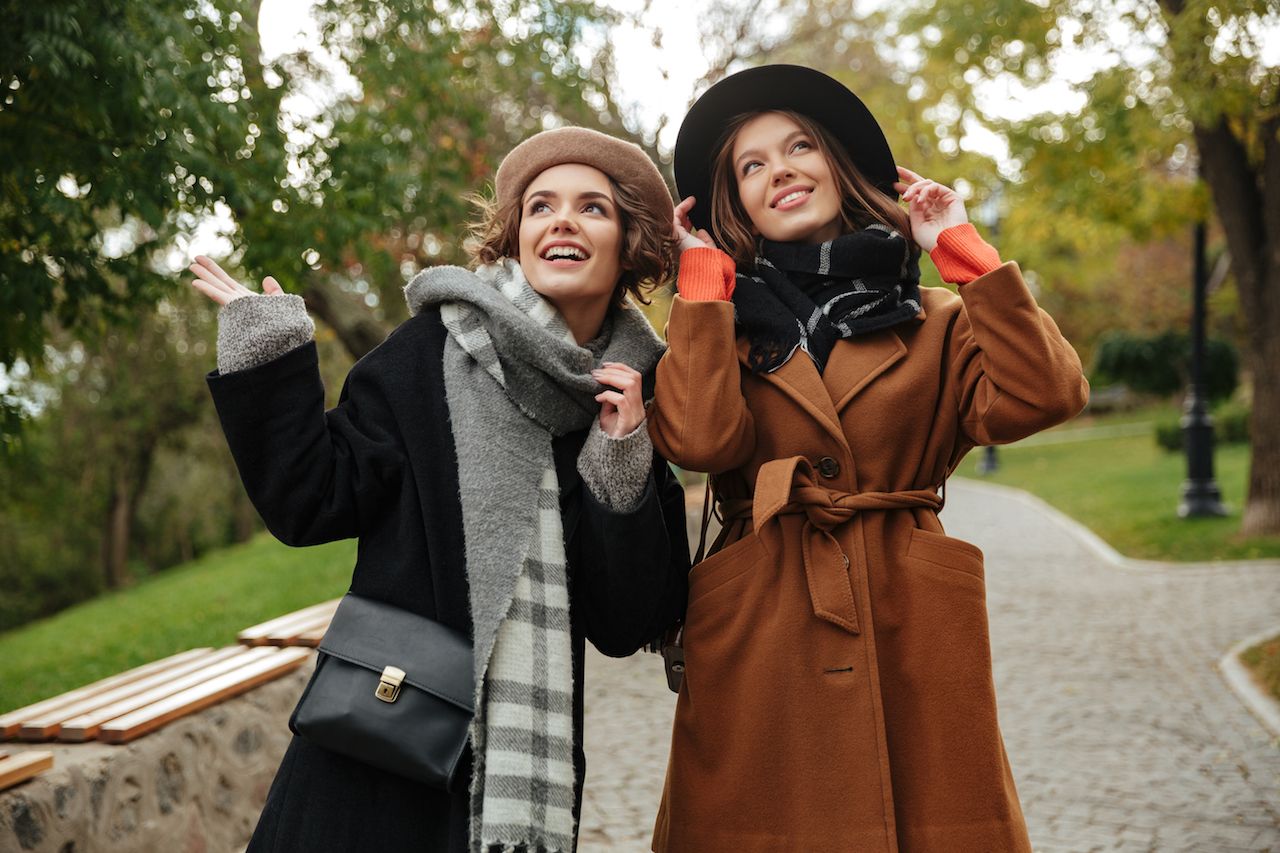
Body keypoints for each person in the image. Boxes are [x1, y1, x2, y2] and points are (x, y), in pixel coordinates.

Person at [188, 126, 690, 853]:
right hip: (376, 754)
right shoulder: (432, 353)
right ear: (515, 236)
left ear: (629, 244)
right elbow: (310, 499)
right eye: (541, 206)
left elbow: (625, 621)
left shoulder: (628, 402)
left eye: (593, 208)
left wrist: (619, 454)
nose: (562, 221)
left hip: (514, 787)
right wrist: (269, 354)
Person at [648, 64, 1089, 852]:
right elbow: (701, 441)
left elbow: (1046, 394)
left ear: (836, 164)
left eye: (799, 147)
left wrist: (962, 249)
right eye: (752, 165)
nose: (779, 170)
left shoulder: (935, 318)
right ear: (733, 201)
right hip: (762, 622)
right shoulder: (716, 326)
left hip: (906, 618)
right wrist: (703, 290)